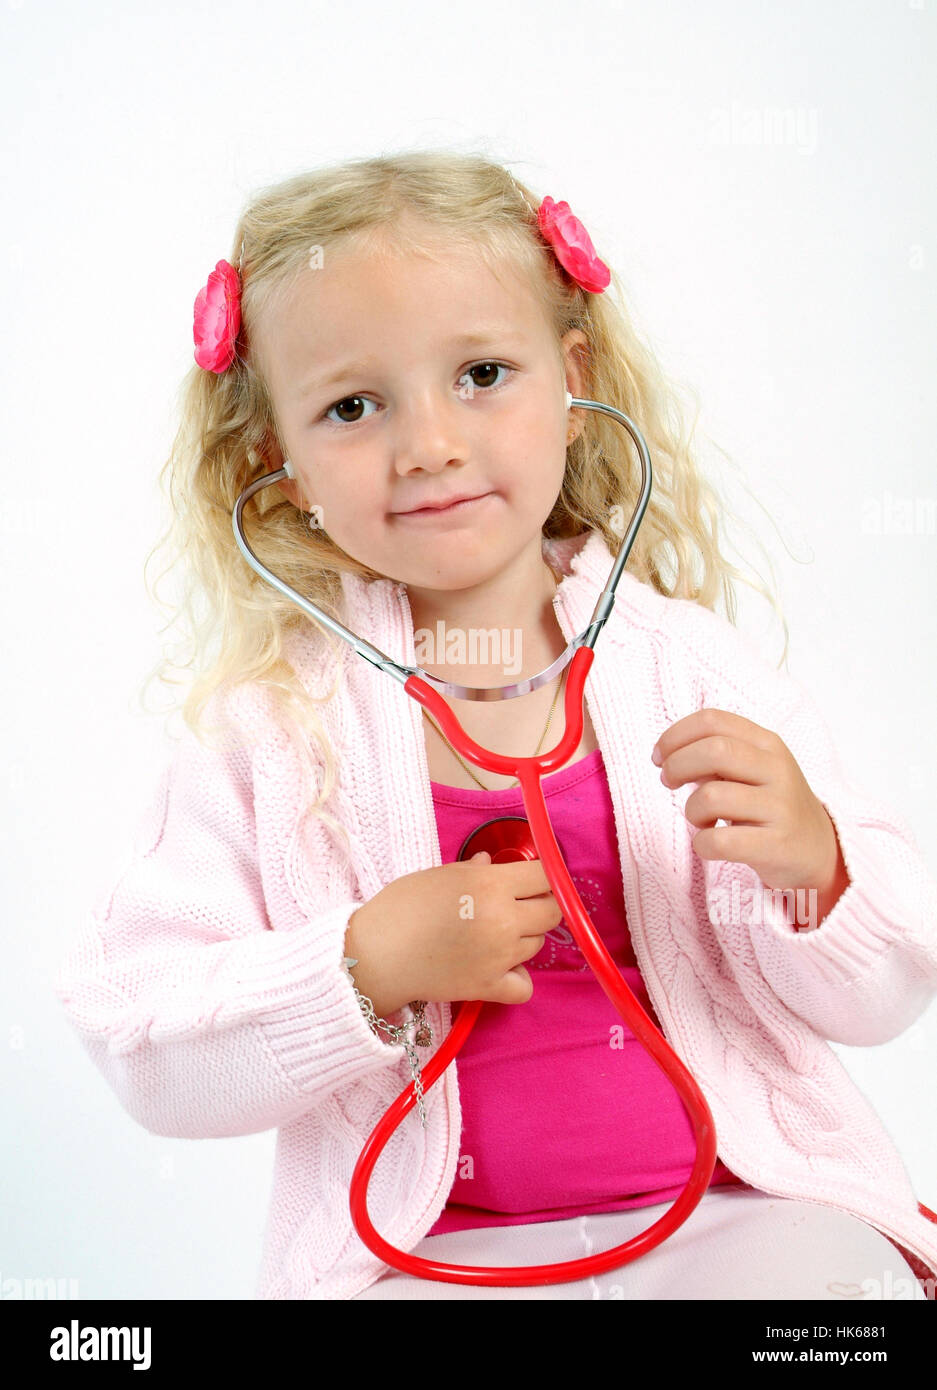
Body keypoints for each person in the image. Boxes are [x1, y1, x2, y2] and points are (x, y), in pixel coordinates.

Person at [54, 150, 937, 1302]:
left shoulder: (687, 667)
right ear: (277, 459)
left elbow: (880, 999)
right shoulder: (269, 728)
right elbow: (146, 1044)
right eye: (353, 405)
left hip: (730, 1219)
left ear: (573, 384)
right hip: (430, 1252)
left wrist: (813, 868)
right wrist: (363, 964)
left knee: (844, 1309)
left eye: (480, 372)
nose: (427, 443)